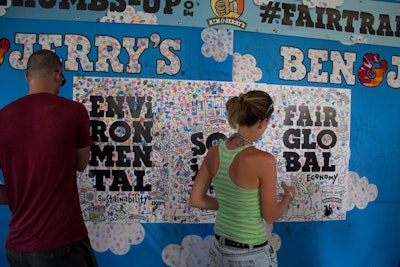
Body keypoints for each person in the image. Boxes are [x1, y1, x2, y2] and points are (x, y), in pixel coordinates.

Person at [0, 49, 98, 267]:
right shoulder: (73, 111)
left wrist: (18, 194)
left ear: (27, 76)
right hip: (60, 243)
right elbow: (81, 164)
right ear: (57, 75)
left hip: (17, 247)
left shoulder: (2, 116)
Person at [189, 90, 296, 267]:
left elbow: (196, 199)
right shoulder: (264, 161)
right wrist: (288, 196)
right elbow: (270, 216)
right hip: (250, 254)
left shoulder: (214, 152)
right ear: (263, 122)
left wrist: (230, 203)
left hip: (219, 250)